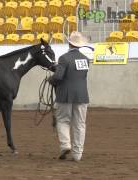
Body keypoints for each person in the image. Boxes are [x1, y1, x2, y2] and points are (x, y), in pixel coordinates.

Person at [48, 31, 90, 162]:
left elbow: (59, 77)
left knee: (62, 120)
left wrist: (51, 79)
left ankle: (66, 145)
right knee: (80, 124)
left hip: (65, 95)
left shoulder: (64, 58)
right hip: (82, 95)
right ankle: (78, 154)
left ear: (69, 43)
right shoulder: (86, 60)